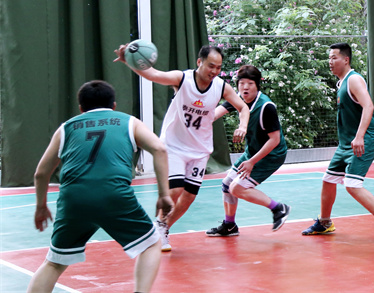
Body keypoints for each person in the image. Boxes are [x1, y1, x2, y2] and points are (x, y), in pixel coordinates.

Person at [27, 80, 173, 293]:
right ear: (114, 105)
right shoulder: (129, 122)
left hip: (74, 199)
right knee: (151, 244)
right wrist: (163, 194)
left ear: (81, 108)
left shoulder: (66, 128)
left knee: (54, 262)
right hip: (114, 195)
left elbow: (40, 173)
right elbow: (159, 149)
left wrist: (41, 206)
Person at [114, 43, 249, 251]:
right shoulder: (182, 78)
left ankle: (163, 227)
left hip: (200, 150)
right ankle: (159, 225)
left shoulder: (221, 86)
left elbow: (242, 107)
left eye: (218, 67)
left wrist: (243, 125)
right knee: (176, 189)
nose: (214, 71)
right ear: (199, 62)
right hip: (174, 146)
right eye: (211, 66)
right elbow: (153, 75)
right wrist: (131, 61)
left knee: (189, 197)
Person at [301, 42, 374, 244]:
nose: (330, 62)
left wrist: (360, 136)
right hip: (346, 143)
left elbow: (369, 106)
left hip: (363, 140)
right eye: (329, 58)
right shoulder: (341, 83)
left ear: (346, 60)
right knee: (328, 180)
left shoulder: (353, 79)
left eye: (334, 58)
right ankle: (325, 222)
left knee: (353, 185)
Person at [206, 65, 291, 237]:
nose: (245, 87)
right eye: (241, 83)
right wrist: (196, 118)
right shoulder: (238, 99)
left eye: (250, 84)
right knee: (227, 184)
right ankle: (230, 225)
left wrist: (252, 162)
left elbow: (274, 140)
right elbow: (214, 114)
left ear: (257, 85)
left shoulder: (266, 107)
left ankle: (278, 208)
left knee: (237, 188)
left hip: (271, 155)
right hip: (252, 151)